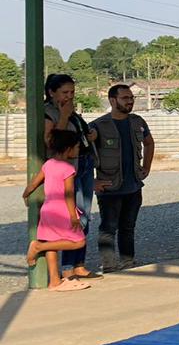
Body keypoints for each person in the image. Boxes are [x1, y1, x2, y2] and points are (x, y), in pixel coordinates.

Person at [90, 84, 154, 271]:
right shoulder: (97, 126)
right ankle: (109, 264)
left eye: (131, 98)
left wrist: (146, 167)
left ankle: (128, 261)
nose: (130, 101)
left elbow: (149, 143)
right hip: (110, 187)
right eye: (125, 98)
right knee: (108, 228)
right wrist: (92, 182)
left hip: (133, 186)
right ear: (112, 100)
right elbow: (82, 156)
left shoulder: (138, 122)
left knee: (128, 227)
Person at [42, 74, 98, 280]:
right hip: (67, 169)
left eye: (72, 92)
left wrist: (91, 135)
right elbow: (52, 142)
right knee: (72, 217)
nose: (69, 96)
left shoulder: (73, 112)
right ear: (51, 93)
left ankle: (79, 264)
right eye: (65, 92)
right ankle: (67, 267)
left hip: (83, 164)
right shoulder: (49, 113)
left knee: (85, 216)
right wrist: (64, 116)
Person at [22, 129, 90, 292]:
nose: (78, 150)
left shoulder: (48, 164)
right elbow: (68, 194)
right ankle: (37, 247)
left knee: (51, 243)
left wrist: (25, 194)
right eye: (77, 147)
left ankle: (54, 281)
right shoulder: (68, 169)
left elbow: (34, 183)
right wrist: (73, 216)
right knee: (79, 241)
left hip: (48, 209)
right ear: (68, 149)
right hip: (62, 211)